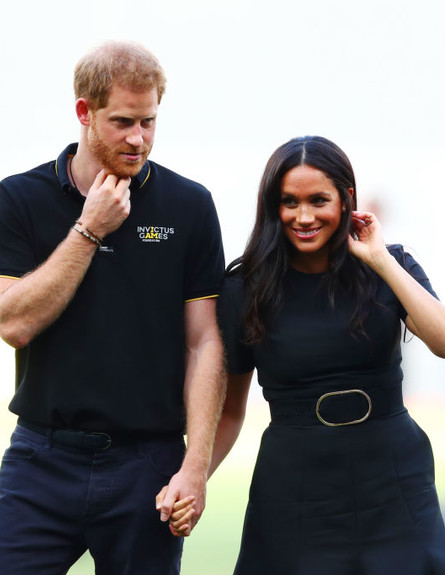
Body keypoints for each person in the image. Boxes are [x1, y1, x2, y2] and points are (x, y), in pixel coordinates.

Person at [0, 40, 225, 575]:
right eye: (123, 121)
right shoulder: (17, 200)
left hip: (148, 464)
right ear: (84, 111)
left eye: (149, 122)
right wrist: (88, 229)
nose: (138, 138)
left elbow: (205, 341)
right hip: (41, 459)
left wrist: (195, 468)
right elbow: (14, 323)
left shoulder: (189, 205)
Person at [171, 135, 445, 572]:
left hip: (393, 476)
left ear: (346, 198)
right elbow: (231, 410)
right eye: (289, 202)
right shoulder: (245, 287)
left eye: (319, 200)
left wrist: (379, 258)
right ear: (272, 206)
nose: (303, 216)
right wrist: (193, 476)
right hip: (294, 484)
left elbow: (443, 342)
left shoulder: (388, 267)